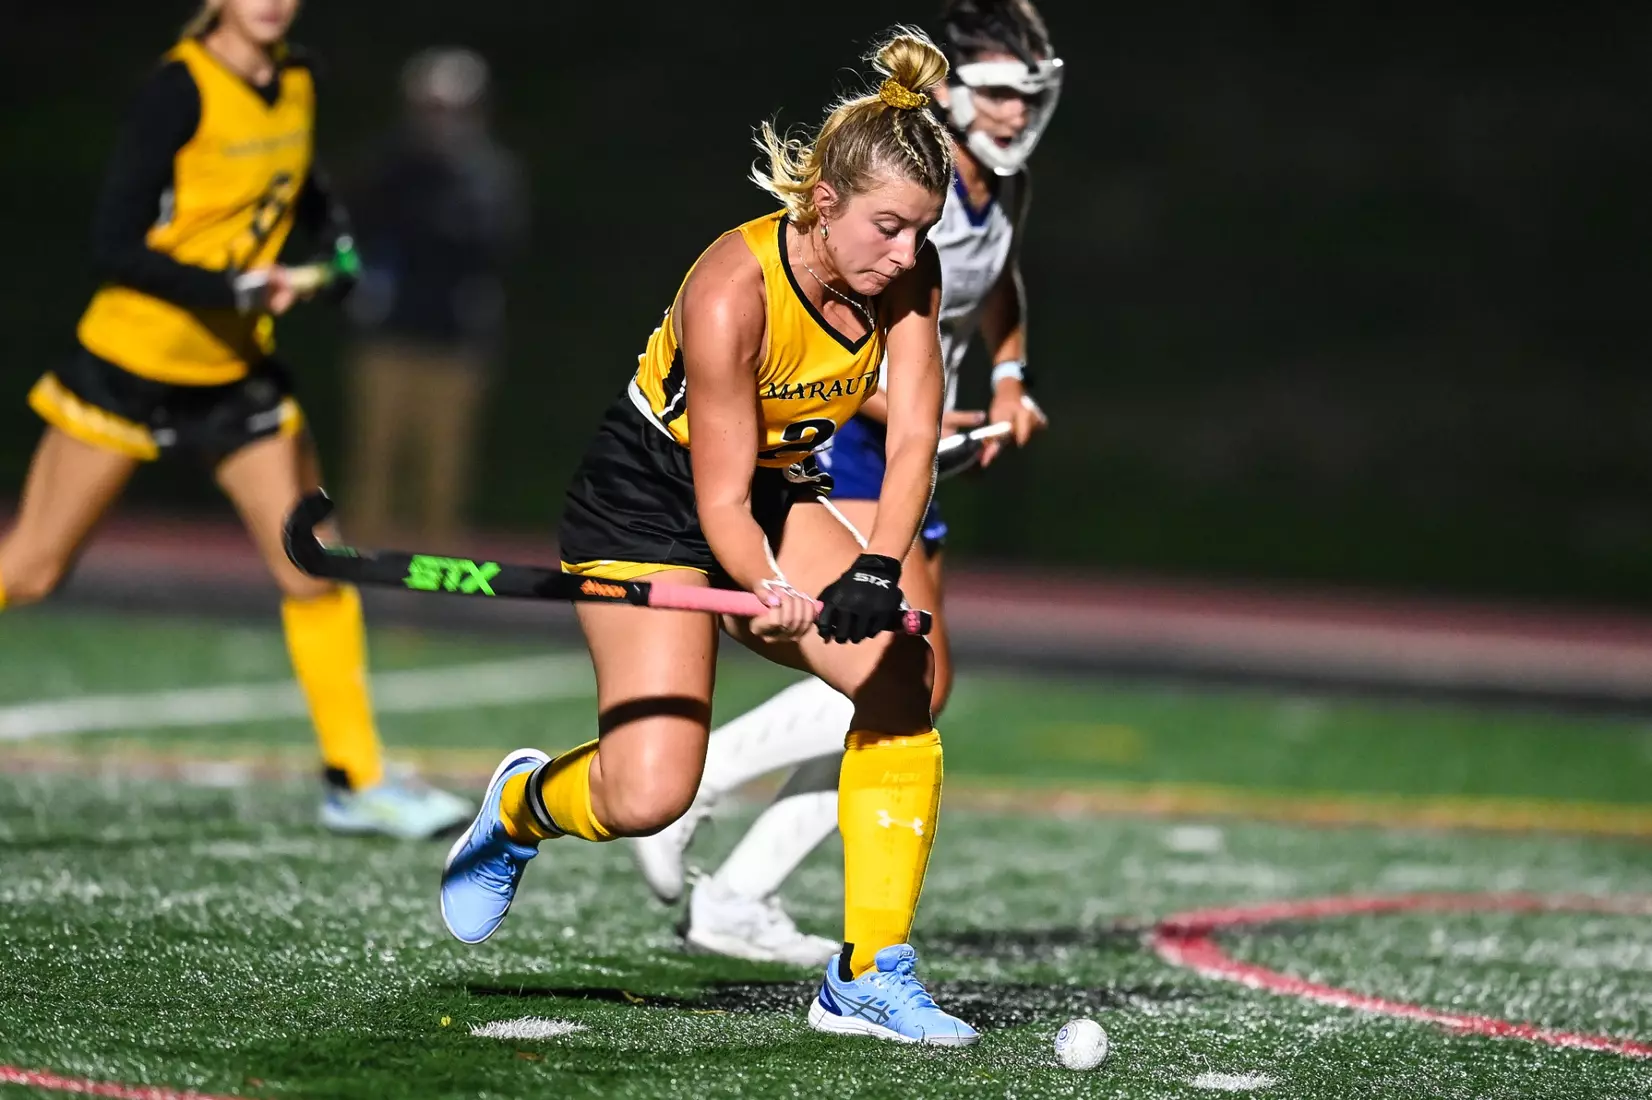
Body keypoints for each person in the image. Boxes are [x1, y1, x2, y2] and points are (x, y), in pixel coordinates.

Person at [439, 29, 980, 1045]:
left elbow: (913, 437)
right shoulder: (731, 290)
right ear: (823, 201)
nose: (907, 255)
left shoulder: (906, 273)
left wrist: (874, 564)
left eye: (922, 231)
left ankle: (867, 972)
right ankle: (519, 806)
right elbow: (718, 502)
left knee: (901, 679)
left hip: (769, 488)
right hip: (649, 500)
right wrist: (770, 589)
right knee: (648, 792)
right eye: (888, 227)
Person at [630, 0, 1059, 965]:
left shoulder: (995, 188)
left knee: (920, 684)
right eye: (997, 92)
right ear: (951, 95)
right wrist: (916, 418)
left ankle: (738, 890)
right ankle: (699, 786)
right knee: (901, 673)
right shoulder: (894, 188)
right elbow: (826, 350)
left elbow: (1001, 285)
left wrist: (1008, 376)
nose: (1013, 111)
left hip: (912, 434)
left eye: (1026, 95)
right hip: (851, 442)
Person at [0, 0, 470, 840]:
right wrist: (239, 289)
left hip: (236, 375)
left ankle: (357, 780)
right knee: (31, 569)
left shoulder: (297, 77)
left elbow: (301, 182)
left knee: (313, 567)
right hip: (133, 365)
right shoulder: (178, 89)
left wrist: (335, 246)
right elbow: (115, 244)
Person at [344, 47, 527, 545]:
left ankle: (435, 568)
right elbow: (359, 226)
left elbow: (495, 244)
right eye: (432, 107)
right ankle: (362, 561)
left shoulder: (490, 174)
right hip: (389, 332)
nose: (442, 120)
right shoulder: (389, 165)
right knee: (375, 454)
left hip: (457, 340)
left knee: (445, 465)